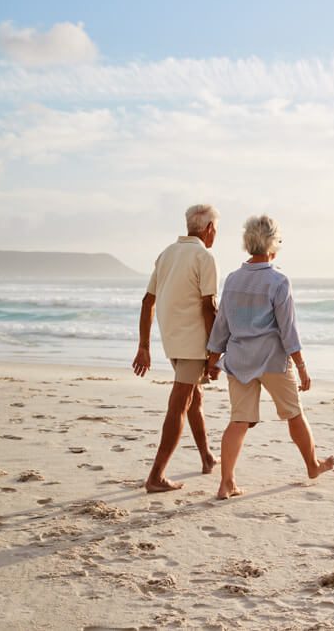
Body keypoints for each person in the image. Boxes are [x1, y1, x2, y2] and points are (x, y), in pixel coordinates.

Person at [206, 214, 334, 500]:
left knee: (238, 421)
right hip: (272, 360)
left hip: (239, 360)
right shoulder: (278, 280)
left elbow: (222, 323)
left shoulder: (233, 279)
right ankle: (312, 466)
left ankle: (226, 482)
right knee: (294, 414)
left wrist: (213, 359)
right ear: (273, 243)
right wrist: (302, 367)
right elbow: (288, 330)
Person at [133, 204, 221, 493]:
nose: (215, 234)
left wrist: (144, 347)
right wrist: (214, 351)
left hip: (171, 340)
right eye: (216, 229)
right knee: (180, 404)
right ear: (208, 228)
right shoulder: (204, 256)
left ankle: (207, 457)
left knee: (194, 397)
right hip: (194, 344)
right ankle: (156, 476)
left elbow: (148, 302)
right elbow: (209, 307)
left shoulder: (167, 253)